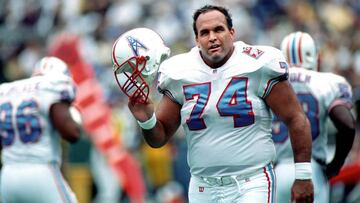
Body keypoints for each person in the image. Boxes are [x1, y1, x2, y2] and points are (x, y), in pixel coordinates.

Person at [112, 5, 314, 202]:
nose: (212, 37)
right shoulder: (180, 72)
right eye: (204, 32)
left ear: (232, 32)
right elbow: (159, 138)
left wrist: (303, 175)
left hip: (252, 182)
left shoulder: (258, 64)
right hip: (203, 186)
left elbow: (296, 118)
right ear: (196, 39)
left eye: (219, 29)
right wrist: (147, 120)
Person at [272, 31, 356, 203]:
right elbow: (347, 125)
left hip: (276, 172)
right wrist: (335, 165)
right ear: (315, 57)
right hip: (312, 171)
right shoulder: (329, 82)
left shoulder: (270, 83)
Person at [0, 56, 82, 203]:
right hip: (40, 170)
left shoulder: (6, 90)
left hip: (7, 174)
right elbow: (73, 134)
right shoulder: (53, 86)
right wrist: (75, 114)